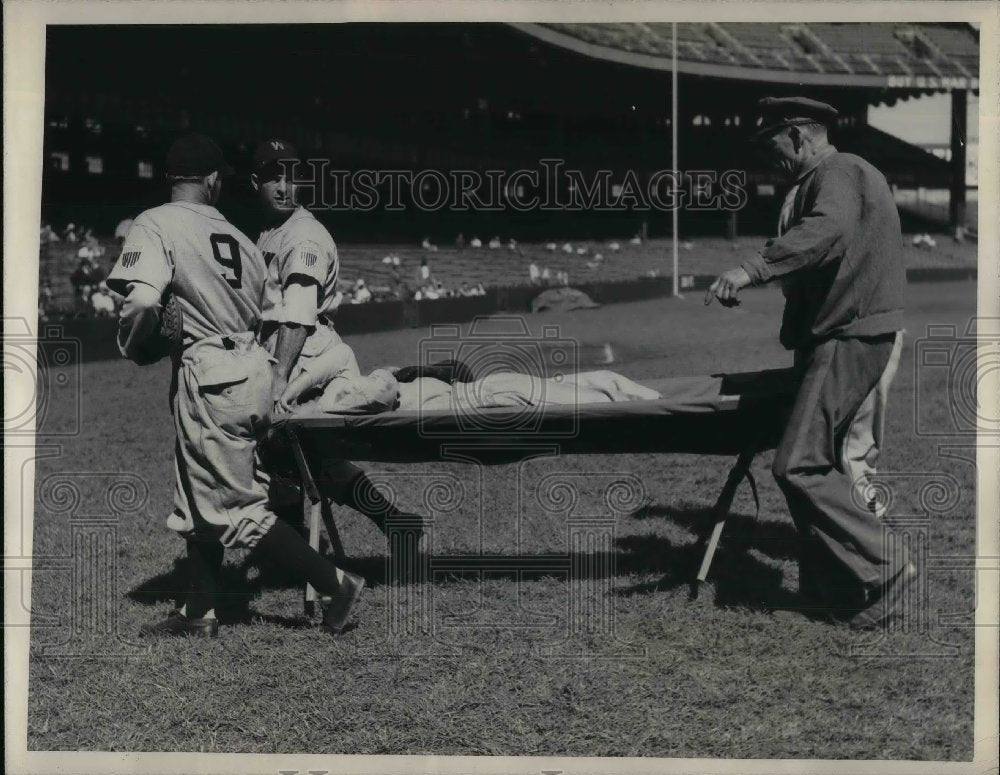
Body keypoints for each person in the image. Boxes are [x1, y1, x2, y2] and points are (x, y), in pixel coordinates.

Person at [108, 133, 364, 639]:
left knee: (236, 506)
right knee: (195, 490)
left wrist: (138, 346)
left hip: (208, 371)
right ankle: (199, 610)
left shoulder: (155, 222)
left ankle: (335, 583)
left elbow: (140, 303)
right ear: (211, 180)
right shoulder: (244, 239)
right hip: (250, 364)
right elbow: (268, 313)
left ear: (172, 180)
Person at [704, 97, 911, 630]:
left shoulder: (839, 171)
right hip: (838, 334)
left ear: (797, 137)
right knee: (825, 463)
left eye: (770, 145)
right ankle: (835, 594)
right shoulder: (833, 173)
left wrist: (753, 267)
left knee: (798, 464)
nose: (765, 159)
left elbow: (829, 230)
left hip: (848, 337)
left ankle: (886, 561)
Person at [250, 138, 427, 549]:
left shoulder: (303, 236)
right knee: (304, 458)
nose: (284, 187)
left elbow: (297, 312)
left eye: (292, 178)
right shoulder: (270, 232)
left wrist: (279, 378)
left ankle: (298, 546)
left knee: (280, 450)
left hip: (303, 351)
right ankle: (392, 522)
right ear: (254, 181)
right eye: (273, 177)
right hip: (285, 349)